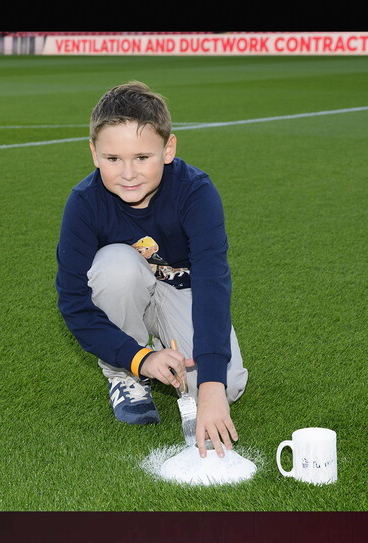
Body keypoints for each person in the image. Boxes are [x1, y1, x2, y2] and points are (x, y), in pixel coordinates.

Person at [55, 81, 248, 458]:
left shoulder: (195, 192)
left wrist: (210, 385)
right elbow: (74, 301)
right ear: (94, 153)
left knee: (229, 385)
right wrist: (138, 359)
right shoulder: (84, 204)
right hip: (128, 286)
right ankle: (124, 371)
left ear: (168, 149)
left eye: (142, 157)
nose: (128, 173)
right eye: (113, 159)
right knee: (115, 265)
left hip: (183, 291)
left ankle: (163, 348)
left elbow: (212, 283)